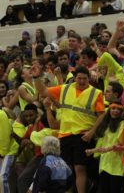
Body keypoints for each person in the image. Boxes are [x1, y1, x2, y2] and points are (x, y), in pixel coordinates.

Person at [31, 65, 105, 193]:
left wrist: (91, 132)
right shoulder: (65, 89)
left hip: (82, 135)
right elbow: (43, 92)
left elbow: (101, 115)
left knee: (79, 168)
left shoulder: (96, 93)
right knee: (64, 168)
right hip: (65, 135)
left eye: (85, 79)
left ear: (89, 79)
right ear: (75, 78)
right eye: (79, 78)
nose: (81, 81)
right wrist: (36, 77)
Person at [85, 101, 124, 193]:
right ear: (109, 110)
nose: (115, 111)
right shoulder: (105, 126)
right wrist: (92, 151)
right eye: (113, 108)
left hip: (117, 165)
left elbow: (121, 143)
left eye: (119, 109)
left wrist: (105, 149)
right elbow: (102, 145)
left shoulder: (123, 124)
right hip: (104, 164)